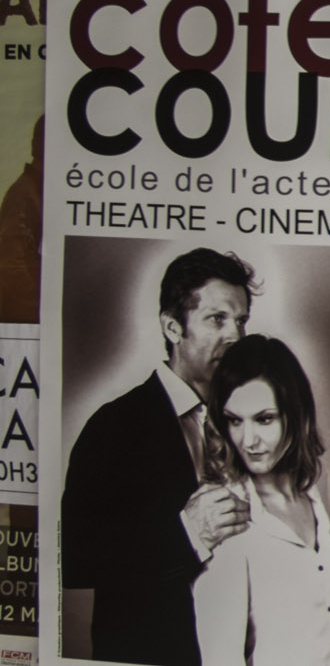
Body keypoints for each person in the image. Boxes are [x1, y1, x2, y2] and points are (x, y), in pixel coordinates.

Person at [62, 248, 259, 665]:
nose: (236, 337)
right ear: (173, 327)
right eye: (217, 319)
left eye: (241, 320)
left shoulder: (246, 421)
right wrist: (187, 532)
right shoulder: (113, 426)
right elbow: (77, 558)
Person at [195, 335, 330, 666]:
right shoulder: (227, 516)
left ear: (296, 415)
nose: (248, 441)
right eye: (235, 420)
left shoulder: (311, 496)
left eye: (264, 419)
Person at [0, 116, 41, 323]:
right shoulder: (25, 195)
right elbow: (13, 265)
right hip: (24, 320)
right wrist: (42, 306)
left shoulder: (34, 192)